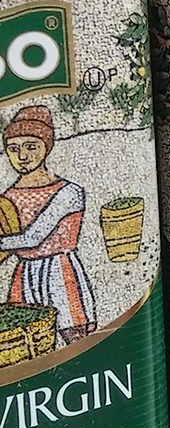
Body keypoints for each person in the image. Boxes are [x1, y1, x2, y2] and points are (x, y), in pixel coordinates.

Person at [0, 105, 96, 345]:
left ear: (47, 146)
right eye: (13, 149)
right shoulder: (8, 197)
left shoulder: (68, 192)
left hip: (59, 272)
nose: (22, 156)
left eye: (31, 146)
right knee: (26, 342)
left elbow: (33, 237)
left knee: (76, 338)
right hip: (24, 274)